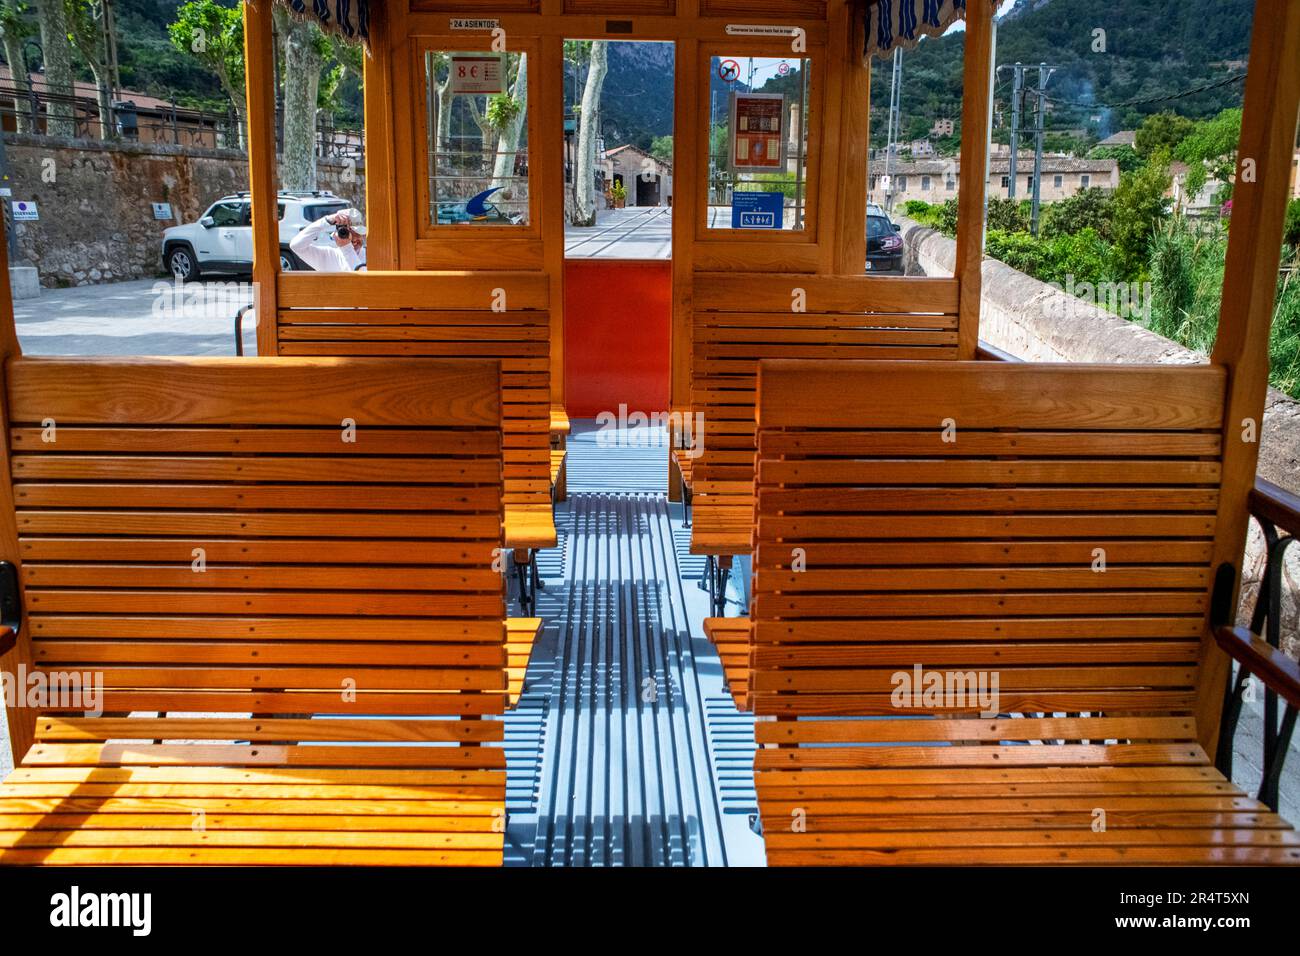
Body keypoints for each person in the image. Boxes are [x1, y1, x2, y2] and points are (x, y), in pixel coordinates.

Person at [289, 207, 367, 272]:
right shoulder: (327, 255)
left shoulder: (371, 256)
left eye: (358, 233)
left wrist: (346, 247)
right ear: (337, 233)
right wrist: (326, 221)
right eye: (348, 233)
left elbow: (364, 280)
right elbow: (296, 246)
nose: (354, 237)